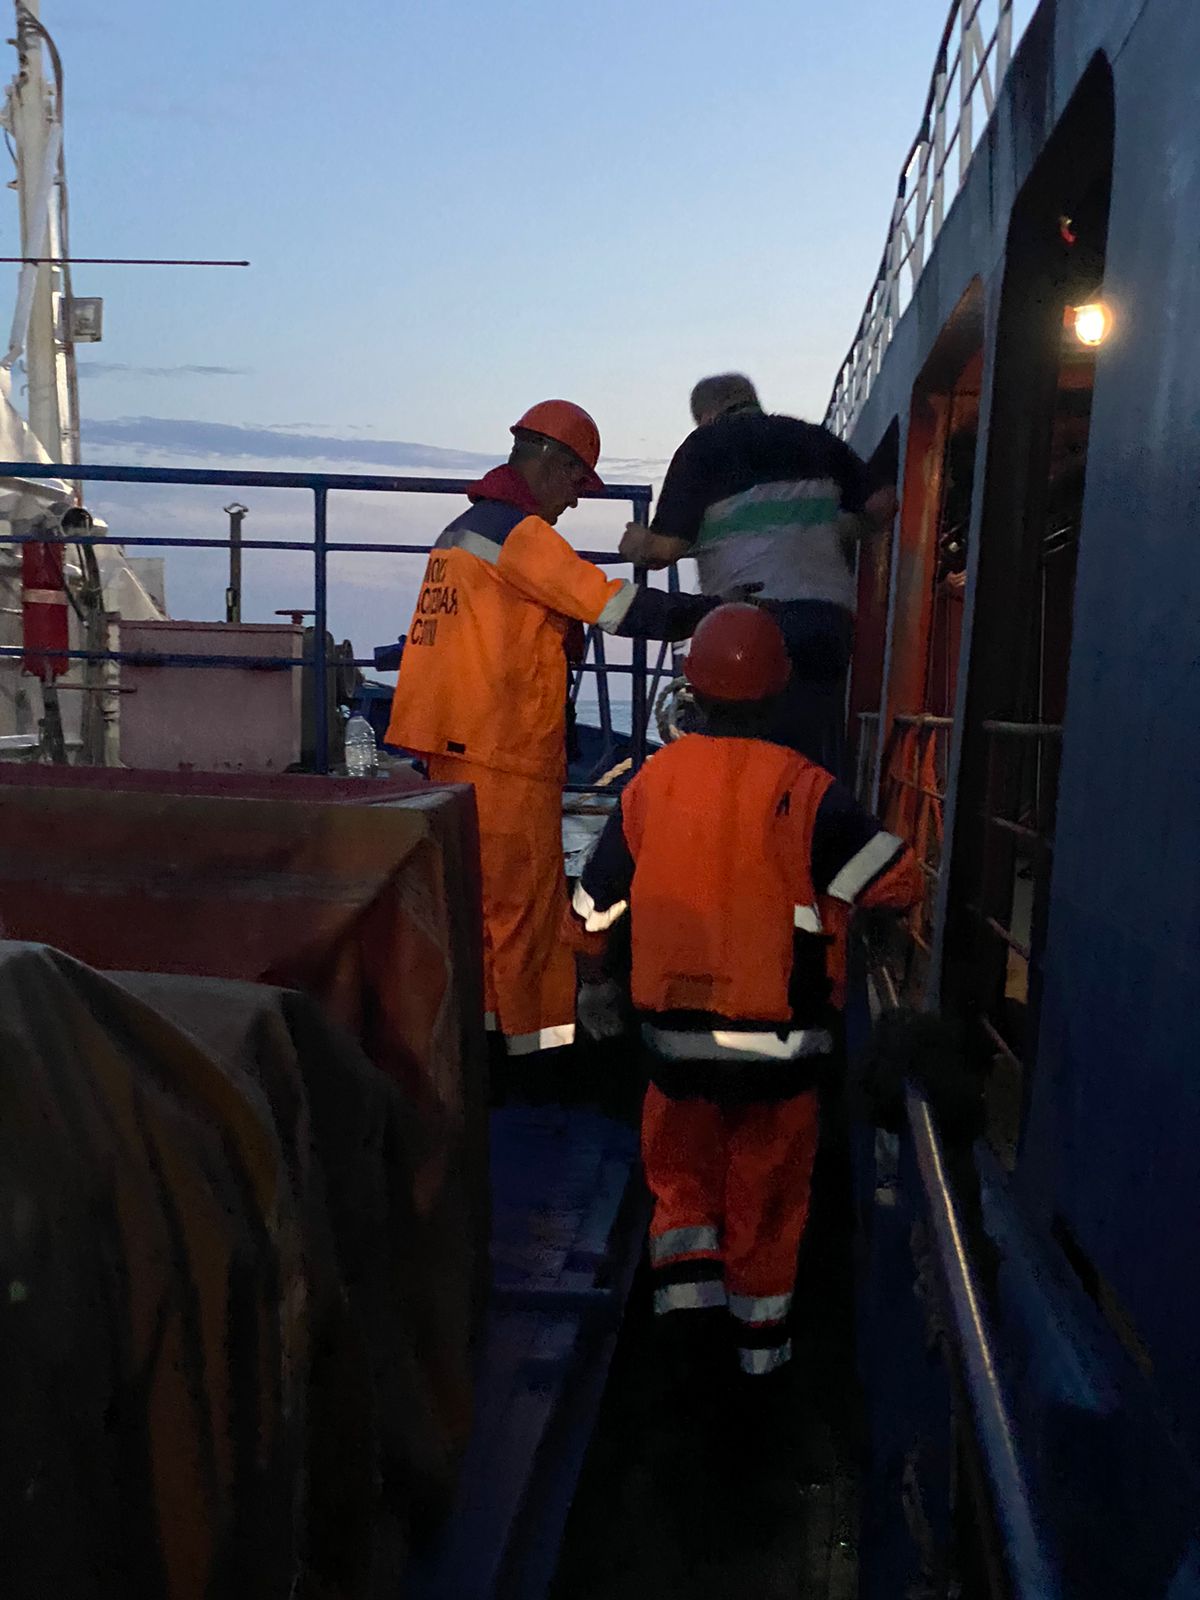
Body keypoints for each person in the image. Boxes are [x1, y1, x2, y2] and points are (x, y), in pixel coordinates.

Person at [566, 605, 919, 1440]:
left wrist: (597, 980)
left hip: (672, 1049)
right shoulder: (809, 789)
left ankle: (684, 1359)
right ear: (778, 690)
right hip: (781, 1057)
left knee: (682, 1193)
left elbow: (591, 907)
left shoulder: (650, 784)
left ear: (692, 690)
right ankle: (759, 1382)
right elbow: (896, 881)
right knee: (765, 1206)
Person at [385, 399, 722, 1058]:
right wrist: (713, 612)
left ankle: (479, 1049)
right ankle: (532, 1051)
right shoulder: (521, 535)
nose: (574, 502)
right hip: (503, 750)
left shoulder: (462, 530)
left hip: (453, 743)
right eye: (577, 484)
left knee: (479, 906)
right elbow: (613, 607)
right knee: (524, 912)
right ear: (553, 462)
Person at [618, 374, 898, 778]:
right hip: (827, 619)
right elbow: (883, 503)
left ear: (706, 414)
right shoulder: (813, 439)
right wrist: (835, 528)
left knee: (746, 757)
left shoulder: (704, 447)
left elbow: (665, 549)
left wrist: (635, 543)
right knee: (814, 756)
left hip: (753, 620)